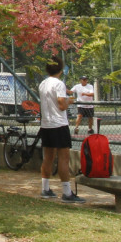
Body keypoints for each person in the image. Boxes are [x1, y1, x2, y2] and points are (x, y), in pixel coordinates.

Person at [38, 59, 85, 203]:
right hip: (59, 124)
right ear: (60, 70)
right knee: (64, 158)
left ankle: (45, 189)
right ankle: (66, 192)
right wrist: (70, 101)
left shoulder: (43, 83)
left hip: (46, 124)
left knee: (48, 158)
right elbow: (62, 105)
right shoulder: (59, 84)